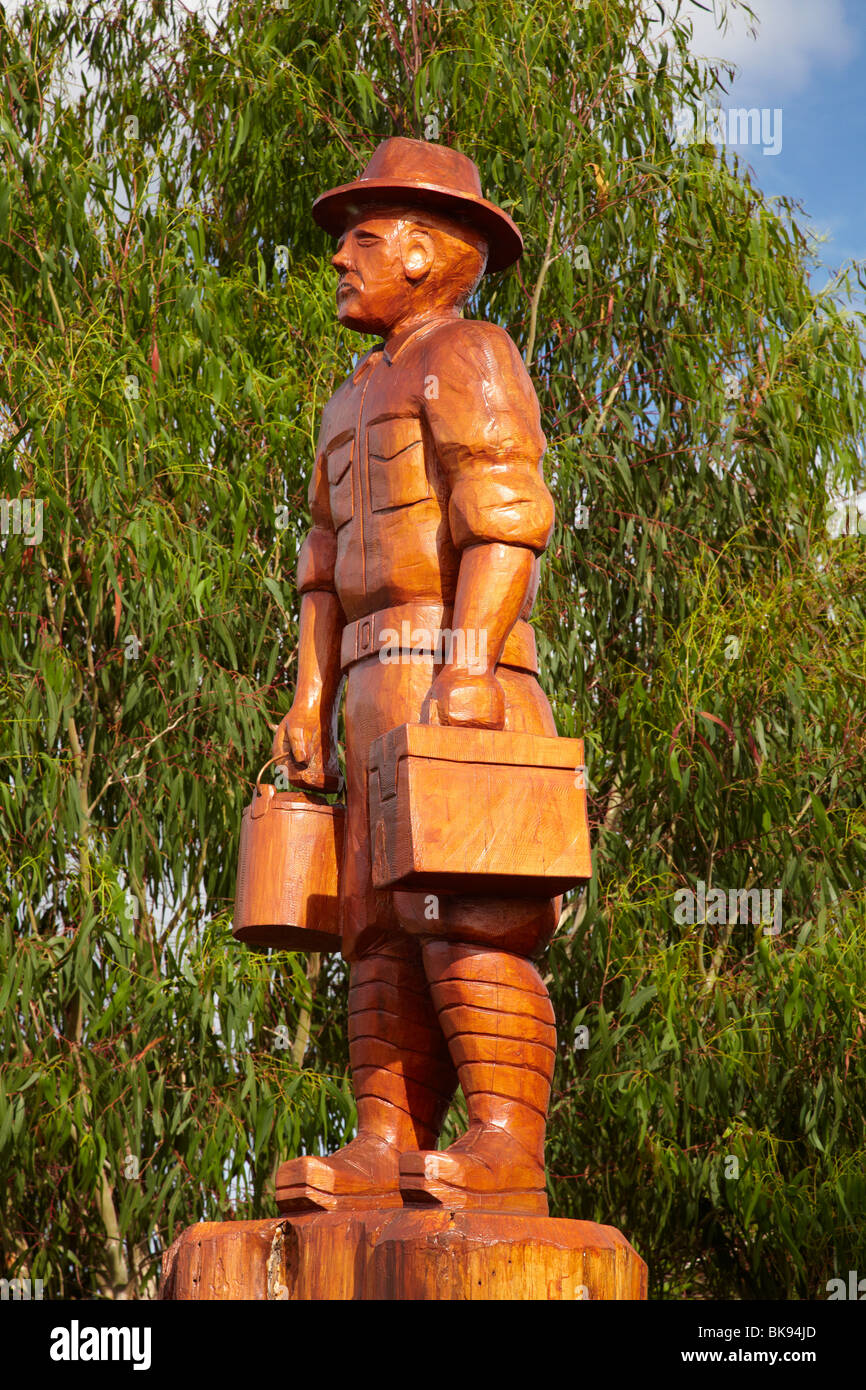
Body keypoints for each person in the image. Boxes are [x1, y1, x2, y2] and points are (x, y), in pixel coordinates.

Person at [272, 137, 561, 1215]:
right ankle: (383, 1139)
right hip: (362, 692)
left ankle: (501, 1141)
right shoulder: (348, 395)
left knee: (465, 911)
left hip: (455, 674)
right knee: (377, 924)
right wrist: (307, 699)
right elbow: (315, 565)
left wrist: (472, 662)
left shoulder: (471, 354)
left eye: (360, 235)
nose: (340, 257)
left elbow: (505, 516)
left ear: (427, 251)